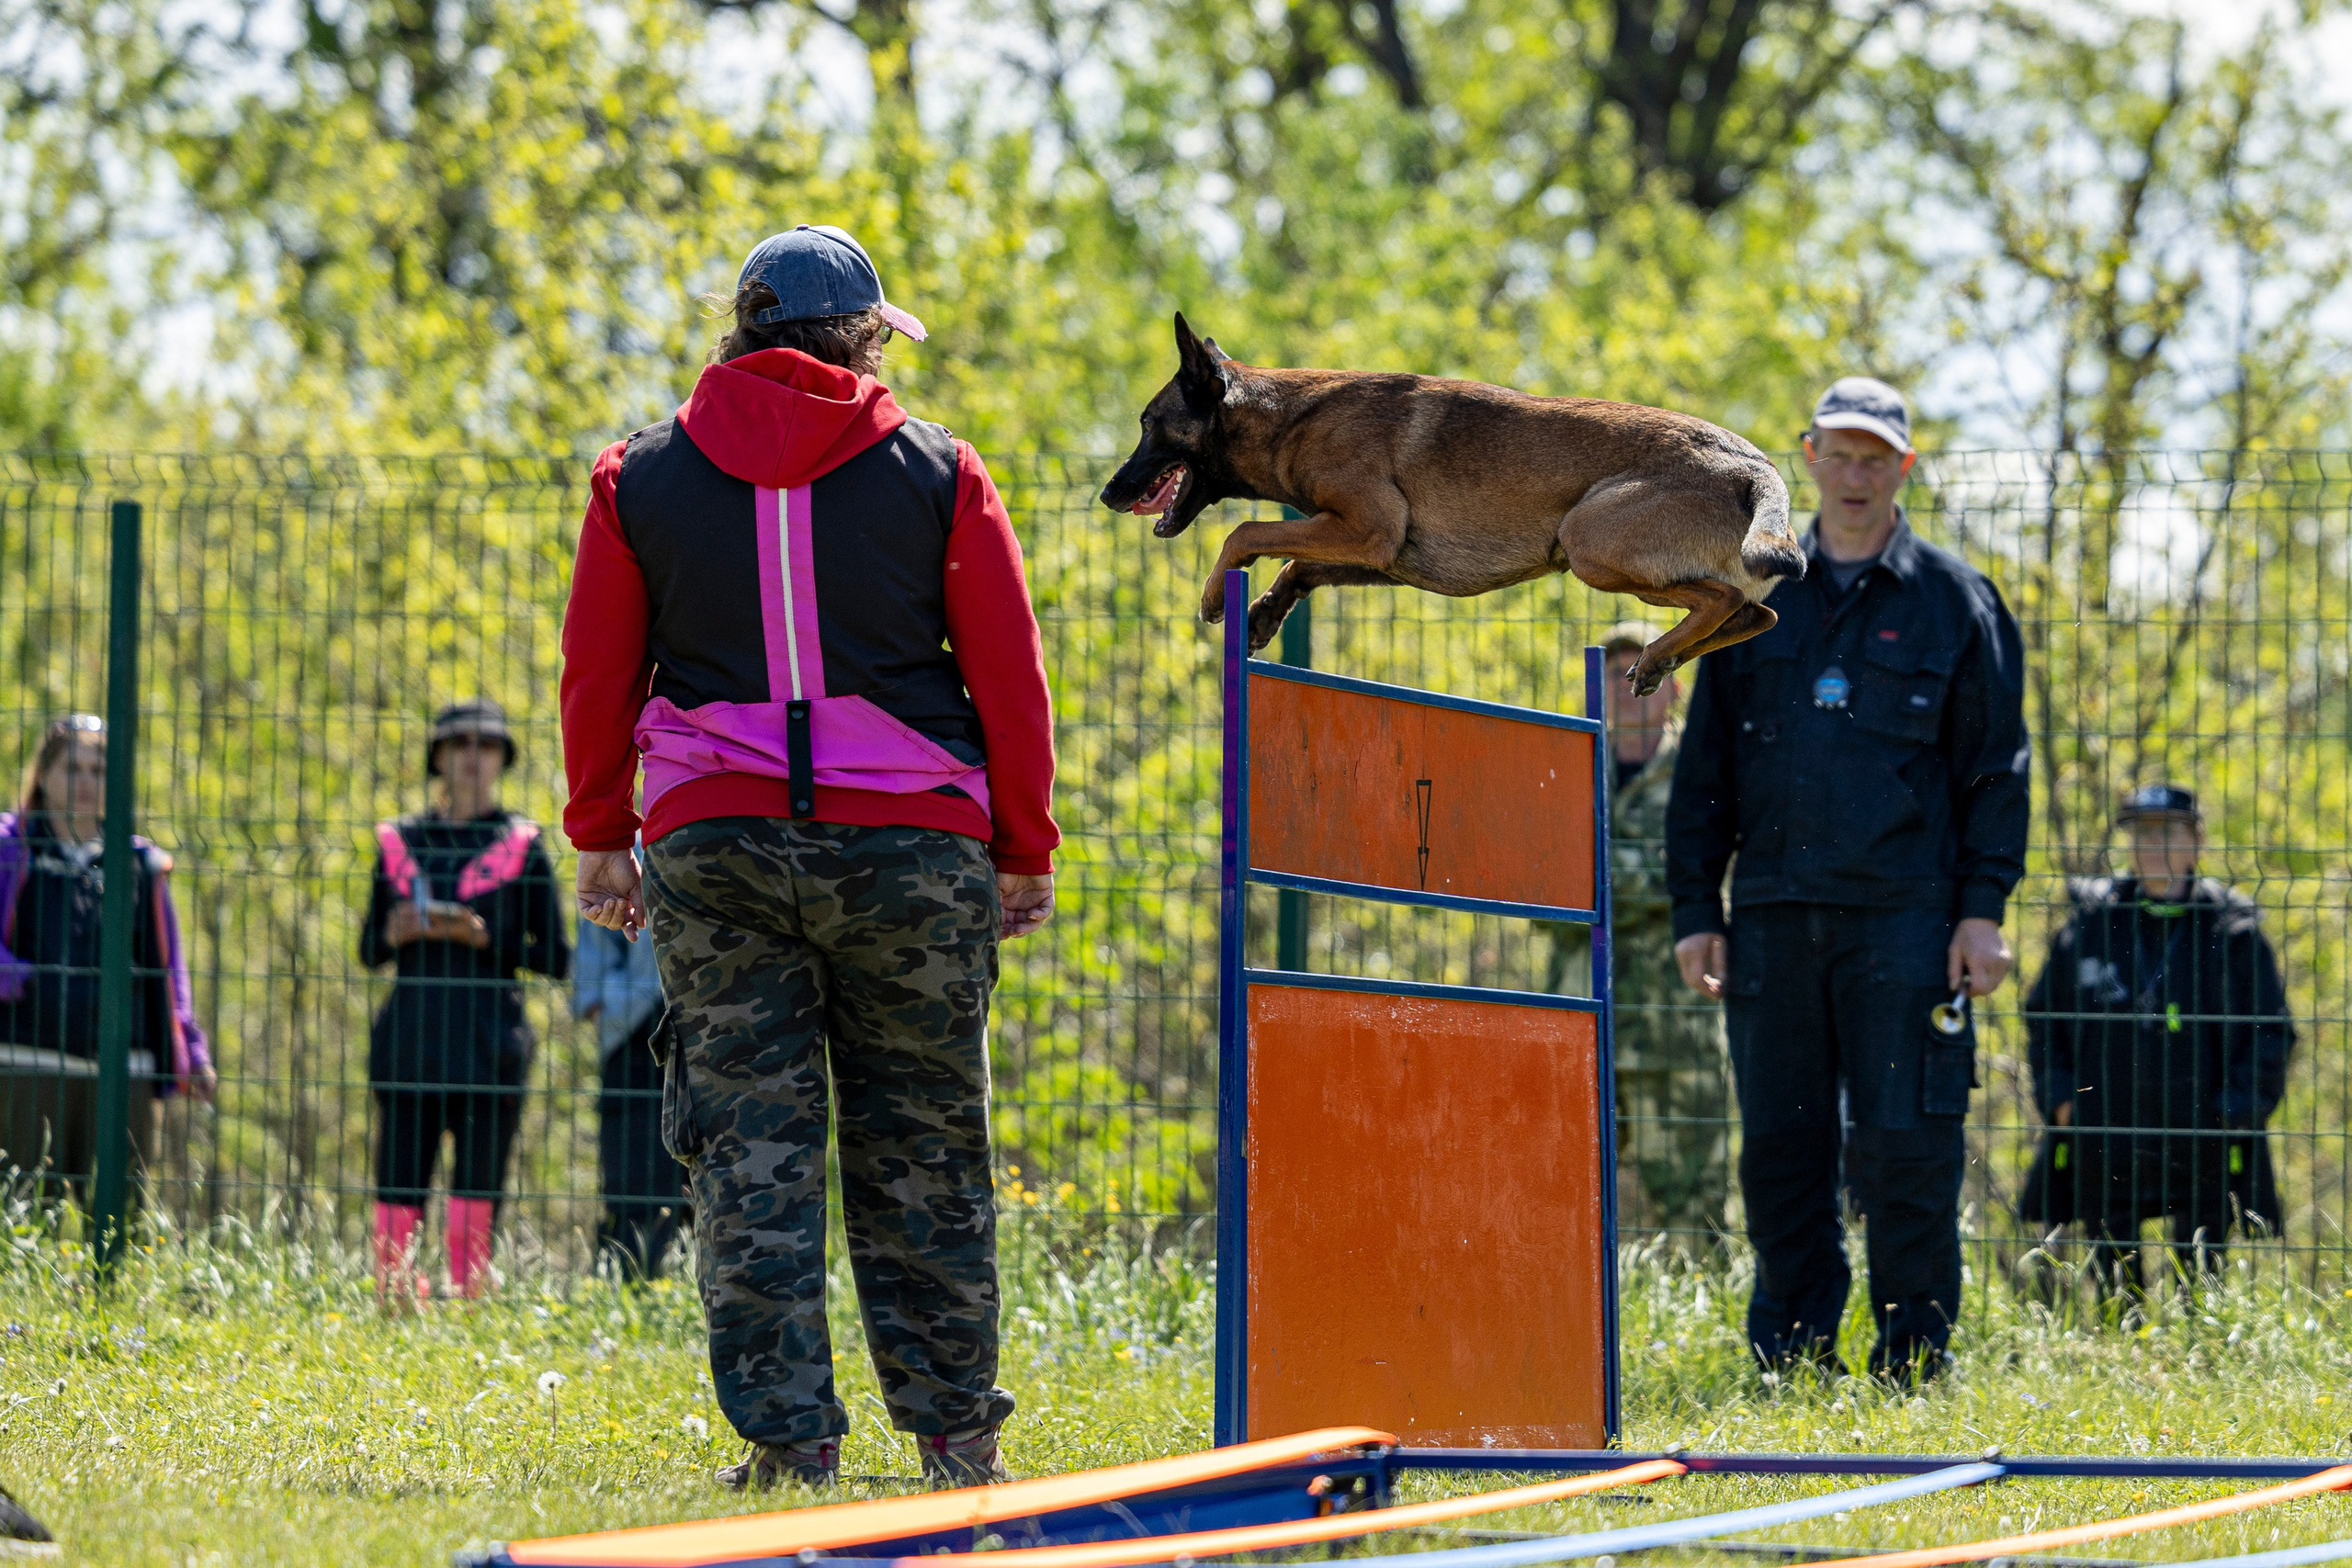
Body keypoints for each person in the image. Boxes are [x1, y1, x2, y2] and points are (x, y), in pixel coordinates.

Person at [560, 224, 1059, 1492]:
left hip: (713, 841)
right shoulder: (940, 470)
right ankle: (955, 1433)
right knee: (925, 1140)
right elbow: (1008, 670)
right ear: (862, 334)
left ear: (743, 330)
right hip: (912, 845)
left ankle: (790, 1438)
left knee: (747, 1142)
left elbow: (597, 672)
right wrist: (1023, 843)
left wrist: (601, 834)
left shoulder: (638, 475)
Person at [1667, 377, 2030, 1382]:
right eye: (1840, 452)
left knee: (1907, 1152)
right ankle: (1791, 1357)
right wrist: (1698, 907)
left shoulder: (1958, 603)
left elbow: (1996, 770)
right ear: (1808, 459)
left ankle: (1913, 1362)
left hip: (1908, 924)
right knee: (1780, 1155)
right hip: (1772, 918)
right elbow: (1705, 770)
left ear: (1902, 469)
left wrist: (1981, 913)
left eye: (1877, 457)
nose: (1857, 474)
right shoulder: (1753, 597)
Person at [2018, 784, 2292, 1292]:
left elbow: (2272, 1032)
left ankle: (2201, 1354)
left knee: (2202, 1282)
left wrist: (2237, 1108)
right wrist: (2060, 1098)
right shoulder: (2093, 924)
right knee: (2115, 1287)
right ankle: (2120, 1351)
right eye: (2141, 834)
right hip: (2108, 1130)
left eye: (2167, 832)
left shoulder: (2234, 929)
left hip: (2204, 1131)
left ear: (2197, 842)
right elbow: (2044, 1017)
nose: (2152, 847)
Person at [361, 699, 569, 1303]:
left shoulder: (523, 844)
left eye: (486, 745)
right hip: (411, 1042)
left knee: (479, 1183)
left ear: (501, 758)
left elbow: (555, 955)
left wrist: (484, 936)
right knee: (398, 1178)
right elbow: (367, 948)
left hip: (488, 1046)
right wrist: (394, 932)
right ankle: (395, 1291)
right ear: (439, 759)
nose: (472, 757)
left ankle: (468, 1293)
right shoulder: (400, 841)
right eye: (459, 746)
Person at [1546, 622, 1731, 1247]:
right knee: (1561, 1207)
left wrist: (1595, 874)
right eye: (1616, 672)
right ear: (1595, 685)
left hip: (1673, 1029)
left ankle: (1691, 1337)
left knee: (1694, 1212)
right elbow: (1538, 883)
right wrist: (1646, 872)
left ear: (1674, 687)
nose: (1631, 686)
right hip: (1579, 1023)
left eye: (1646, 669)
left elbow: (1698, 875)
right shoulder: (1563, 768)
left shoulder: (1703, 773)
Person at [0, 713, 213, 1207]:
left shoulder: (140, 864)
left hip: (123, 1070)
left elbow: (170, 969)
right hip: (27, 1061)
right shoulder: (11, 849)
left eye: (99, 771)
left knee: (119, 1221)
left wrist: (193, 1051)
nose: (87, 783)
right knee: (22, 1217)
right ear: (43, 774)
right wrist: (13, 974)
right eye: (72, 768)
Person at [572, 897, 686, 1280]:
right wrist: (607, 1006)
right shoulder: (623, 848)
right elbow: (594, 944)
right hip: (629, 1034)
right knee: (629, 1164)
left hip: (703, 1024)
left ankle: (687, 1272)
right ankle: (625, 1276)